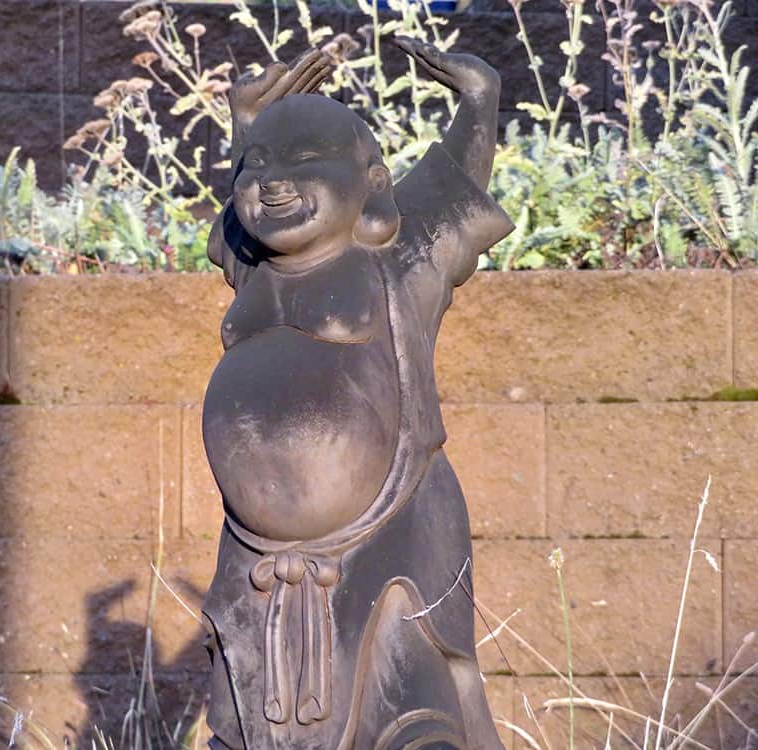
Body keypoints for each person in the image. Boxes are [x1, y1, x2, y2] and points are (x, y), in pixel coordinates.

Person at [201, 41, 514, 750]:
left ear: (372, 182)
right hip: (260, 565)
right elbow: (237, 214)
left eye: (304, 161)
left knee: (408, 716)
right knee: (248, 728)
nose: (273, 184)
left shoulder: (399, 260)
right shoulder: (255, 268)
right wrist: (245, 127)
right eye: (259, 167)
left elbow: (453, 191)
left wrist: (479, 103)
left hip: (387, 540)